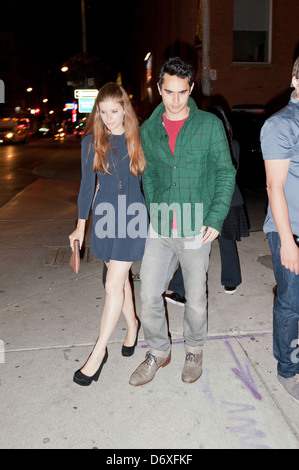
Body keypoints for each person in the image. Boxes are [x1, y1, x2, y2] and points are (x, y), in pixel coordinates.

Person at [129, 57, 236, 386]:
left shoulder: (208, 125)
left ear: (191, 89)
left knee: (195, 298)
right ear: (159, 88)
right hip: (161, 225)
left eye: (182, 92)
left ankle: (194, 349)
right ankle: (159, 351)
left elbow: (225, 172)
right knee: (148, 294)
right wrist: (152, 207)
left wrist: (216, 217)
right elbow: (148, 175)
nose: (175, 100)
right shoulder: (148, 129)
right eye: (169, 91)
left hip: (195, 224)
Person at [69, 82, 148, 386]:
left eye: (115, 111)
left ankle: (98, 353)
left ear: (124, 109)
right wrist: (80, 225)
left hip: (131, 218)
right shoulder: (91, 142)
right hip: (104, 217)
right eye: (103, 112)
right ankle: (132, 325)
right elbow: (87, 186)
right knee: (120, 279)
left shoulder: (137, 137)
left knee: (113, 283)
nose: (109, 117)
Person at [165, 105, 249, 306]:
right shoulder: (216, 144)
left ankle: (186, 290)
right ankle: (227, 283)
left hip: (221, 200)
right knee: (206, 244)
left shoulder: (229, 145)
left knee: (214, 243)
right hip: (217, 200)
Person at [261, 56, 299, 403]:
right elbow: (275, 187)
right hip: (290, 231)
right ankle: (288, 369)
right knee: (291, 303)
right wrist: (288, 242)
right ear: (295, 80)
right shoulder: (282, 124)